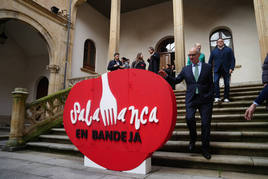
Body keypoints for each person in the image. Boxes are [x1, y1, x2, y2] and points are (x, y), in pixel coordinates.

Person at [159, 47, 214, 160]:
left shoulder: (207, 67)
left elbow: (211, 83)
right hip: (191, 99)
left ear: (199, 55)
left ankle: (205, 148)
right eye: (189, 55)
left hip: (205, 100)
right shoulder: (186, 69)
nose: (191, 57)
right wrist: (167, 76)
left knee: (205, 124)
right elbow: (177, 80)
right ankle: (193, 138)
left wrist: (211, 96)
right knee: (189, 118)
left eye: (193, 55)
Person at [208, 38, 235, 103]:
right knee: (215, 82)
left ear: (223, 42)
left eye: (221, 41)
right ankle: (217, 97)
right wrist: (209, 69)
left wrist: (231, 68)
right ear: (217, 43)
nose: (220, 42)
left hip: (226, 69)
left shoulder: (228, 50)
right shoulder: (214, 51)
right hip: (217, 70)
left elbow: (232, 59)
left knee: (227, 83)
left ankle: (226, 97)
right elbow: (210, 61)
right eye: (219, 42)